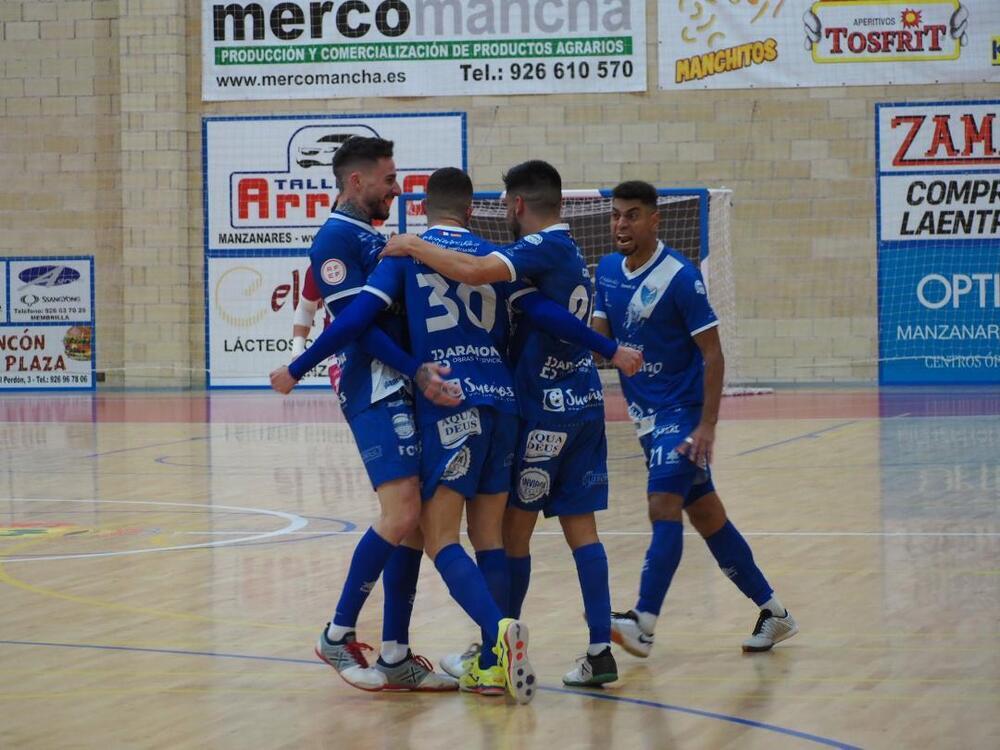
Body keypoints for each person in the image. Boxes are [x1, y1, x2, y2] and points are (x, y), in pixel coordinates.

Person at [275, 166, 641, 700]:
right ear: (473, 210)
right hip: (507, 405)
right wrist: (607, 349)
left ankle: (495, 636)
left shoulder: (408, 251)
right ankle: (480, 663)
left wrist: (297, 365)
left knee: (436, 533)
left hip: (450, 397)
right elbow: (537, 309)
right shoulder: (495, 258)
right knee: (487, 535)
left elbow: (356, 321)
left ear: (423, 209)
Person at [382, 160, 629, 687]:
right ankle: (598, 649)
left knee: (504, 538)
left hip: (539, 408)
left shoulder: (535, 249)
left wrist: (414, 244)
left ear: (516, 205)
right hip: (583, 400)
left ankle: (497, 647)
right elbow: (541, 311)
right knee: (579, 530)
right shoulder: (565, 256)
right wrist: (607, 349)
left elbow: (473, 274)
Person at [278, 136, 459, 692]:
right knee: (401, 512)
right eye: (388, 178)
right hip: (375, 386)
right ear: (356, 182)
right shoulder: (335, 238)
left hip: (400, 384)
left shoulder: (369, 235)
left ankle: (397, 652)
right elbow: (356, 327)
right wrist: (417, 370)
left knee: (410, 523)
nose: (396, 187)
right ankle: (336, 633)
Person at [590, 180, 798, 655]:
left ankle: (643, 621)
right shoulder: (605, 270)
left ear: (654, 219)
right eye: (617, 215)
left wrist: (707, 426)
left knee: (663, 506)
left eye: (633, 215)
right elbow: (600, 343)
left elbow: (714, 355)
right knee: (707, 516)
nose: (622, 224)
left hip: (681, 415)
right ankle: (775, 612)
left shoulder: (681, 277)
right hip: (645, 419)